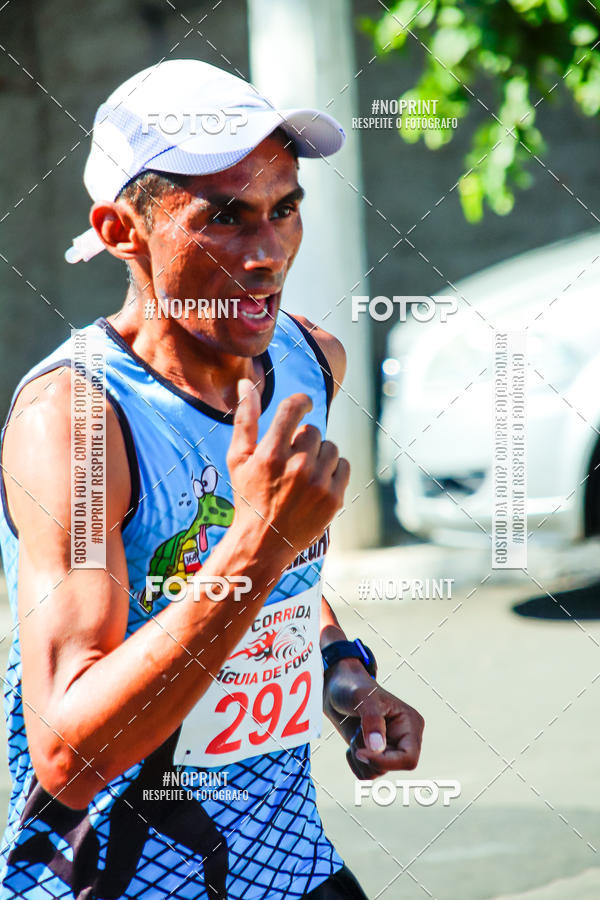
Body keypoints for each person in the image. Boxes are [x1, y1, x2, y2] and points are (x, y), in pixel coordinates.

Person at [0, 59, 424, 899]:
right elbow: (67, 750)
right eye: (225, 219)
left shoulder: (307, 360)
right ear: (123, 232)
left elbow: (285, 578)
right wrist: (259, 543)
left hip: (290, 864)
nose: (266, 253)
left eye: (285, 208)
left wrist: (344, 674)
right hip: (128, 882)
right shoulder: (80, 426)